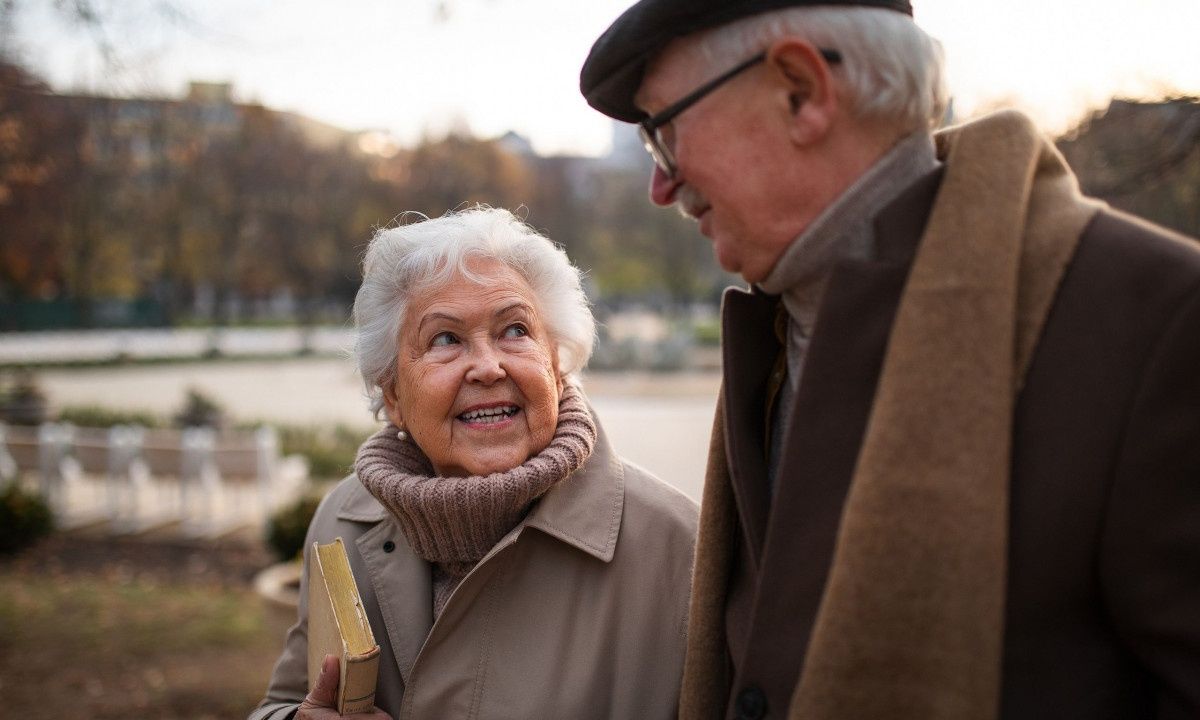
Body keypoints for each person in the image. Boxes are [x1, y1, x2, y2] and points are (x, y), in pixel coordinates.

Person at [580, 2, 1200, 719]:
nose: (661, 187)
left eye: (665, 131)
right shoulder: (781, 326)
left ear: (800, 91)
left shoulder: (1160, 322)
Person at [249, 207, 698, 720]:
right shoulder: (342, 520)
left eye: (514, 330)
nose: (487, 366)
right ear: (392, 392)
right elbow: (281, 700)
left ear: (555, 363)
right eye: (445, 339)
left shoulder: (680, 549)